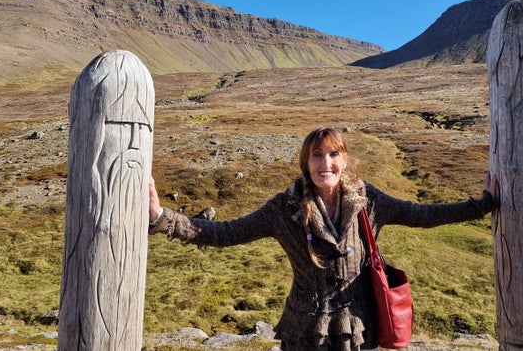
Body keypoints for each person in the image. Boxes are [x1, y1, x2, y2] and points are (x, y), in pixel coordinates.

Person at [148, 126, 499, 351]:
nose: (325, 162)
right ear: (306, 162)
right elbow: (226, 232)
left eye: (333, 154)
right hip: (304, 332)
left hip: (359, 332)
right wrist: (162, 218)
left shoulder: (369, 200)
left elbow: (422, 214)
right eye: (317, 155)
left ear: (344, 161)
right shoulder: (283, 209)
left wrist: (481, 206)